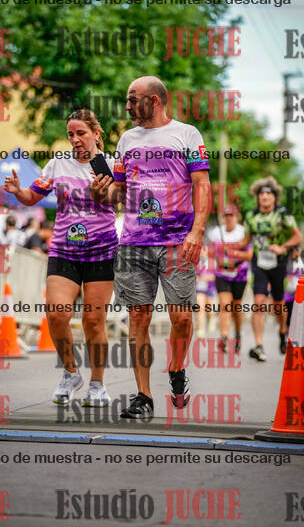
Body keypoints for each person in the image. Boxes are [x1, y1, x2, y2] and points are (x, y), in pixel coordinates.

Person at [91, 76, 211, 418]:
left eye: (133, 99)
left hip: (177, 240)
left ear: (154, 100)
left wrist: (197, 232)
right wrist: (101, 193)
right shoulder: (126, 140)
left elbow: (202, 184)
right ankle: (143, 395)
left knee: (181, 317)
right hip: (134, 242)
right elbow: (119, 191)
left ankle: (177, 368)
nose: (127, 106)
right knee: (138, 316)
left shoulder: (187, 134)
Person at [4, 109, 118, 407]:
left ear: (96, 133)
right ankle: (70, 373)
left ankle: (97, 384)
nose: (75, 139)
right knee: (56, 314)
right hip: (64, 250)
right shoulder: (58, 163)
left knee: (93, 321)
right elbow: (32, 196)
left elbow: (121, 199)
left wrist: (102, 194)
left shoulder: (110, 164)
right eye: (70, 134)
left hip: (101, 251)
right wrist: (18, 192)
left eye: (81, 133)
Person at [238, 177, 303, 361]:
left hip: (278, 263)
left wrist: (283, 247)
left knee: (278, 305)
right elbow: (245, 241)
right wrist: (228, 247)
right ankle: (259, 345)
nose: (265, 197)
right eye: (262, 194)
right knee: (259, 302)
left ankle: (282, 330)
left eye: (268, 194)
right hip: (259, 263)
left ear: (274, 197)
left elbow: (297, 237)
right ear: (257, 197)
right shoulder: (251, 216)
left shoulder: (282, 214)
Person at [207, 205, 252, 354]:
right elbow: (211, 252)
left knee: (236, 307)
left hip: (240, 274)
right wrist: (216, 257)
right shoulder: (216, 233)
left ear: (237, 217)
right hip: (222, 274)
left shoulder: (242, 233)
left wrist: (233, 253)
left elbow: (249, 255)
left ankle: (238, 334)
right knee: (225, 305)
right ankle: (224, 337)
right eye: (226, 215)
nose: (229, 218)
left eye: (231, 215)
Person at [284, 245, 304, 330]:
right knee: (289, 313)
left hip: (300, 291)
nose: (296, 252)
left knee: (299, 313)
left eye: (297, 250)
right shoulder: (286, 261)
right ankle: (287, 331)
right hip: (288, 293)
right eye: (294, 250)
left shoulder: (303, 261)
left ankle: (296, 330)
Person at [195, 252, 217, 337]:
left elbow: (217, 276)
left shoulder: (212, 262)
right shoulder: (195, 262)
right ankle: (201, 329)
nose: (201, 252)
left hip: (210, 289)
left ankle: (211, 317)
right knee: (200, 309)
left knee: (208, 309)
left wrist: (208, 277)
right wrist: (195, 278)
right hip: (199, 289)